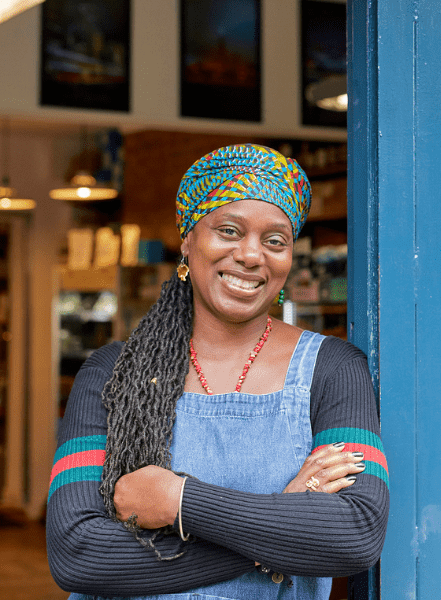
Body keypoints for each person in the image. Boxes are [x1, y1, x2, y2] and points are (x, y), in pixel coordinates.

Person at [46, 144, 389, 599]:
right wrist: (281, 527)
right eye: (229, 230)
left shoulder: (334, 370)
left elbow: (356, 532)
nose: (251, 255)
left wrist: (176, 500)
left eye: (275, 240)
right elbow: (77, 552)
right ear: (188, 241)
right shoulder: (110, 373)